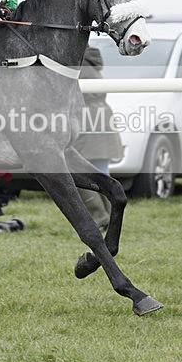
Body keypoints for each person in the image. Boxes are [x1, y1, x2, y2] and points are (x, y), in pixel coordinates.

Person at [74, 47, 124, 230]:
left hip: (89, 120)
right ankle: (111, 218)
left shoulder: (78, 64)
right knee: (101, 173)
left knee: (80, 173)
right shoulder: (90, 62)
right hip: (99, 118)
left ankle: (101, 218)